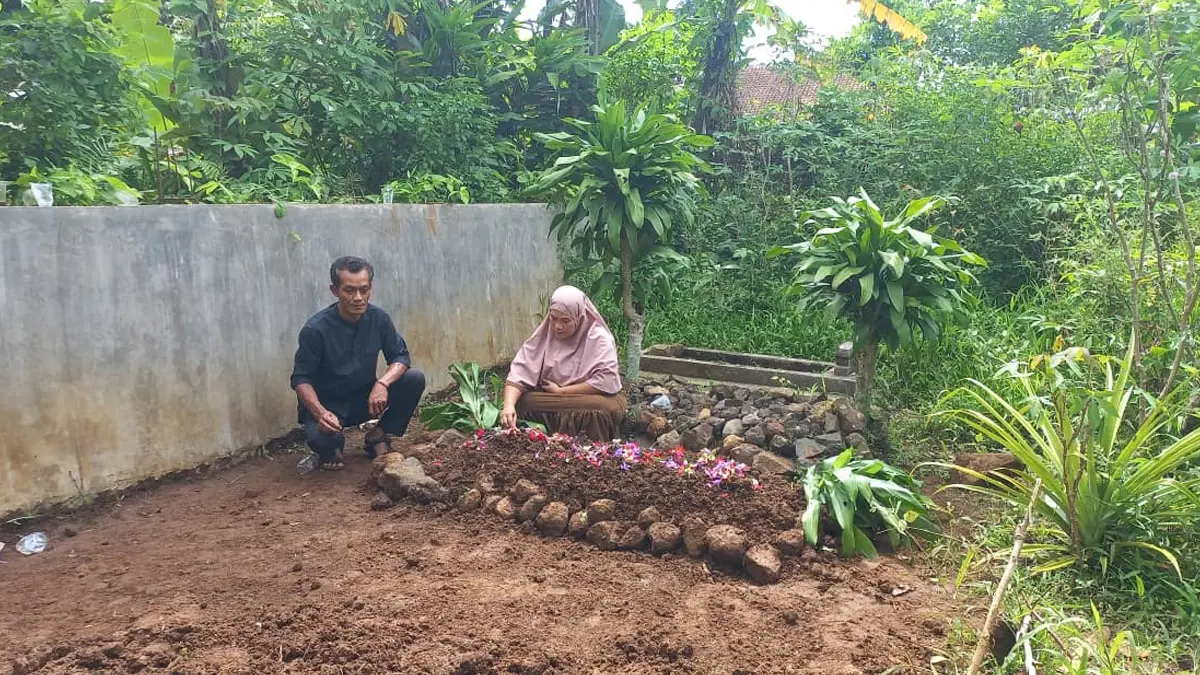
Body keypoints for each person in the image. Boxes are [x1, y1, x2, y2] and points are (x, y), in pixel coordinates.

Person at [290, 256, 426, 470]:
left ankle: (378, 435)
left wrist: (382, 384)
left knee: (414, 379)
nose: (358, 297)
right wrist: (320, 413)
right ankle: (333, 444)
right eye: (349, 290)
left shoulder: (379, 319)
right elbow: (301, 379)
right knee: (320, 440)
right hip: (329, 405)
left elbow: (400, 357)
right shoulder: (315, 330)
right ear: (334, 290)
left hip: (365, 399)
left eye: (364, 289)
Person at [500, 285, 626, 439]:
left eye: (565, 321)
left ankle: (588, 450)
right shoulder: (545, 334)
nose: (558, 326)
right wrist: (508, 406)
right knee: (522, 402)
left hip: (590, 397)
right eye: (553, 318)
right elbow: (521, 371)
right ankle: (543, 442)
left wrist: (562, 391)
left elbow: (605, 381)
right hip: (550, 397)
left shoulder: (599, 338)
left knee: (598, 410)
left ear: (579, 318)